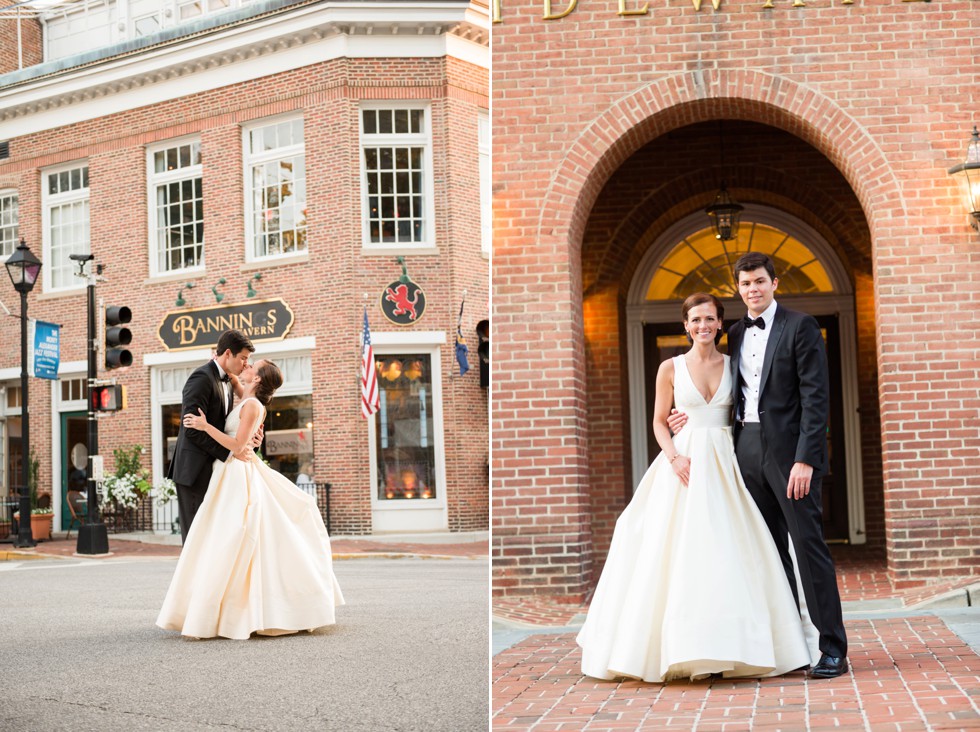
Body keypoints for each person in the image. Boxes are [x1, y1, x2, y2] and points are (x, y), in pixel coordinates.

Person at [576, 293, 813, 683]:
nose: (703, 326)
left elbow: (750, 410)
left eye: (710, 319)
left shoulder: (736, 365)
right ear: (685, 325)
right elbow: (657, 421)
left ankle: (737, 646)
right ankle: (678, 646)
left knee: (731, 550)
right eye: (695, 320)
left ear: (720, 324)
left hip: (727, 462)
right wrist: (674, 456)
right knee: (673, 550)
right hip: (684, 461)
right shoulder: (669, 368)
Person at [669, 252, 848, 679]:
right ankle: (789, 647)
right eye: (746, 283)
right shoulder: (732, 331)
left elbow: (816, 399)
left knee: (807, 546)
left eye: (760, 282)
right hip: (743, 449)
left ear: (774, 283)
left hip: (790, 455)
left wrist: (806, 459)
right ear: (739, 288)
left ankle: (833, 648)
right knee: (767, 552)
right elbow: (726, 390)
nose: (753, 289)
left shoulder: (800, 326)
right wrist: (685, 417)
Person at [156, 359, 344, 639]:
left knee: (234, 537)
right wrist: (223, 362)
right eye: (246, 361)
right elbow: (230, 375)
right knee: (221, 538)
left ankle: (235, 612)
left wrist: (204, 425)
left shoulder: (253, 405)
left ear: (256, 379)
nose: (246, 366)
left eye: (251, 365)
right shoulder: (246, 397)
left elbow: (237, 445)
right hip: (227, 472)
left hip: (236, 473)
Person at [168, 330, 260, 543]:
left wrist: (251, 439)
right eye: (243, 358)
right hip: (194, 471)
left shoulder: (229, 381)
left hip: (214, 470)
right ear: (228, 353)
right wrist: (230, 453)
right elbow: (191, 428)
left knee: (210, 538)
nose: (246, 364)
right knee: (195, 538)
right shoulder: (202, 377)